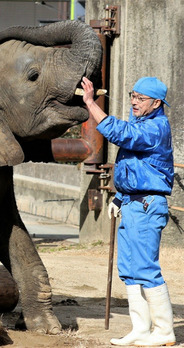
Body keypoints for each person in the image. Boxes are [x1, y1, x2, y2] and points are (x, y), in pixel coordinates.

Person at [81, 76, 175, 346]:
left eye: (140, 98)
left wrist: (90, 103)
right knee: (129, 269)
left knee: (145, 268)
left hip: (147, 205)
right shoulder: (142, 123)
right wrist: (120, 197)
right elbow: (135, 167)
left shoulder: (156, 128)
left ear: (156, 103)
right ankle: (141, 329)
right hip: (133, 202)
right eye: (133, 95)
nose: (134, 101)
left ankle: (165, 331)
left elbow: (119, 133)